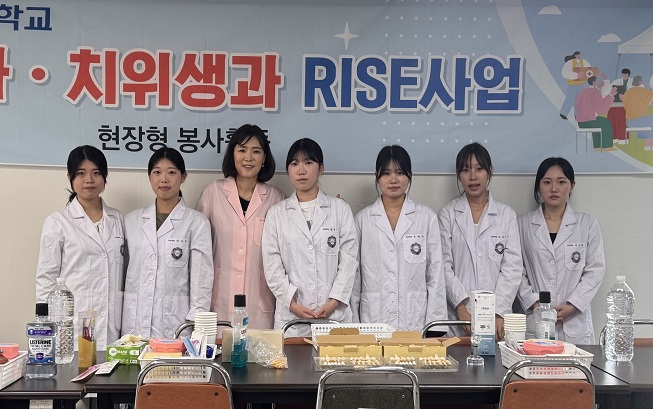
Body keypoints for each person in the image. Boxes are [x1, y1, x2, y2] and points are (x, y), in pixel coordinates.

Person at [262, 138, 358, 337]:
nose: (301, 170)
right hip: (292, 319)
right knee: (291, 358)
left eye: (308, 162)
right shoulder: (276, 214)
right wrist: (292, 304)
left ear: (321, 168)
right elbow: (272, 265)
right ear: (288, 170)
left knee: (335, 357)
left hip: (334, 315)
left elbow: (349, 261)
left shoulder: (340, 209)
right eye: (294, 163)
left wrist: (334, 301)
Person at [35, 145, 126, 351]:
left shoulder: (119, 219)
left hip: (112, 325)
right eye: (81, 173)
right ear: (70, 177)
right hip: (72, 326)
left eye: (96, 173)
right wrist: (46, 327)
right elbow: (46, 278)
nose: (89, 180)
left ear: (105, 177)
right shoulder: (57, 222)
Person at [196, 124, 285, 333]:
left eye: (256, 151)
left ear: (264, 158)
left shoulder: (276, 198)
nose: (248, 157)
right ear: (233, 154)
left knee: (259, 351)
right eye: (242, 150)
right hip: (220, 300)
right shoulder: (212, 193)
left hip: (260, 302)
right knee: (221, 351)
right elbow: (197, 247)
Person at [351, 145, 447, 332]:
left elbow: (436, 275)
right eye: (386, 173)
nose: (393, 179)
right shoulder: (362, 220)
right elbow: (354, 279)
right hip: (373, 319)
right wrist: (354, 325)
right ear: (377, 176)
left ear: (410, 175)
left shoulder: (426, 218)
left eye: (400, 172)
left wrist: (435, 327)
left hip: (415, 320)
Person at [121, 147, 213, 338]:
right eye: (157, 172)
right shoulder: (131, 221)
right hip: (134, 322)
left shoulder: (196, 222)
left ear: (183, 177)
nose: (164, 179)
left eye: (171, 172)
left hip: (176, 324)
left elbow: (201, 279)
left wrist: (196, 325)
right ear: (149, 177)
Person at [438, 143, 522, 340]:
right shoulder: (448, 214)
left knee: (496, 359)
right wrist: (460, 306)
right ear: (458, 175)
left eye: (479, 169)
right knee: (458, 358)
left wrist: (498, 311)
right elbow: (443, 266)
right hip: (459, 317)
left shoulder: (506, 215)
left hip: (497, 320)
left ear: (490, 171)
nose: (473, 176)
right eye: (466, 170)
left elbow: (512, 268)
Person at [516, 157, 605, 344]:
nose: (554, 188)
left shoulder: (587, 224)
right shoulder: (522, 224)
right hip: (536, 319)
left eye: (561, 182)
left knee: (576, 362)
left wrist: (573, 305)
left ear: (572, 185)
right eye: (547, 182)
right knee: (537, 361)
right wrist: (533, 303)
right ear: (539, 186)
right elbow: (515, 269)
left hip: (575, 323)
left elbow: (595, 270)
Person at [575, 75, 618, 151]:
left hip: (581, 122)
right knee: (606, 123)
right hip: (589, 121)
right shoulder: (595, 92)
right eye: (597, 81)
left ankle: (597, 147)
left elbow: (577, 104)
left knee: (598, 122)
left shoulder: (584, 91)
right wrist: (611, 95)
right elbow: (601, 109)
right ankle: (607, 146)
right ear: (594, 82)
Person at [622, 75, 653, 149]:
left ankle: (648, 145)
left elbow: (625, 106)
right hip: (640, 120)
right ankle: (648, 145)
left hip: (629, 122)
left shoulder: (628, 92)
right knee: (649, 121)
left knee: (648, 122)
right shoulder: (644, 91)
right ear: (640, 82)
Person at [560, 51, 591, 120]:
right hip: (572, 84)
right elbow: (564, 73)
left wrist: (587, 76)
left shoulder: (583, 62)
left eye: (579, 55)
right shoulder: (570, 62)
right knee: (570, 98)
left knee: (579, 99)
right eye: (577, 55)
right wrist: (576, 75)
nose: (578, 56)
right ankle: (563, 113)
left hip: (580, 83)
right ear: (575, 55)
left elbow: (589, 70)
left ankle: (577, 114)